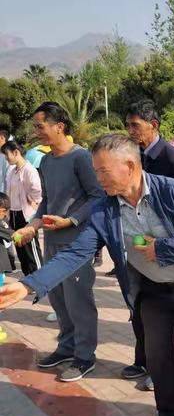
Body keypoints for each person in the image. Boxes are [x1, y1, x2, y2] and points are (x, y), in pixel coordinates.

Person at [0, 134, 174, 416]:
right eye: (95, 171)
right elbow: (76, 252)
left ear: (130, 166)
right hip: (154, 291)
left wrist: (162, 248)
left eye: (103, 171)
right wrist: (29, 285)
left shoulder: (173, 190)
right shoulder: (103, 209)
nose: (97, 178)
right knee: (158, 358)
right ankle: (169, 414)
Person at [14, 101, 104, 382]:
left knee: (79, 302)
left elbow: (97, 196)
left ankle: (85, 356)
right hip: (51, 240)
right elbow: (47, 202)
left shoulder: (81, 158)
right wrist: (33, 225)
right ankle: (66, 348)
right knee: (59, 300)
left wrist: (72, 220)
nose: (37, 131)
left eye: (40, 126)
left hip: (76, 243)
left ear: (59, 126)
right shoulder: (47, 161)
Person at [121, 99, 174, 391]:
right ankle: (143, 360)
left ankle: (166, 369)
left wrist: (169, 248)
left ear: (154, 125)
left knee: (165, 317)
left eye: (135, 125)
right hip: (136, 247)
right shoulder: (135, 157)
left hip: (163, 252)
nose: (130, 131)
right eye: (128, 125)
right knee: (138, 307)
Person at [2, 140, 43, 275]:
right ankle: (28, 277)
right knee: (19, 246)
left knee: (30, 247)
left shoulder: (29, 170)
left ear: (16, 152)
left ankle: (39, 276)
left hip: (26, 214)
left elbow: (37, 191)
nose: (6, 158)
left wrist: (32, 202)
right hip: (13, 213)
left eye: (7, 155)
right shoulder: (12, 171)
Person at [0, 193, 14, 284]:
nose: (5, 214)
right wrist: (21, 235)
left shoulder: (3, 220)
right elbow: (10, 235)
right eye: (3, 210)